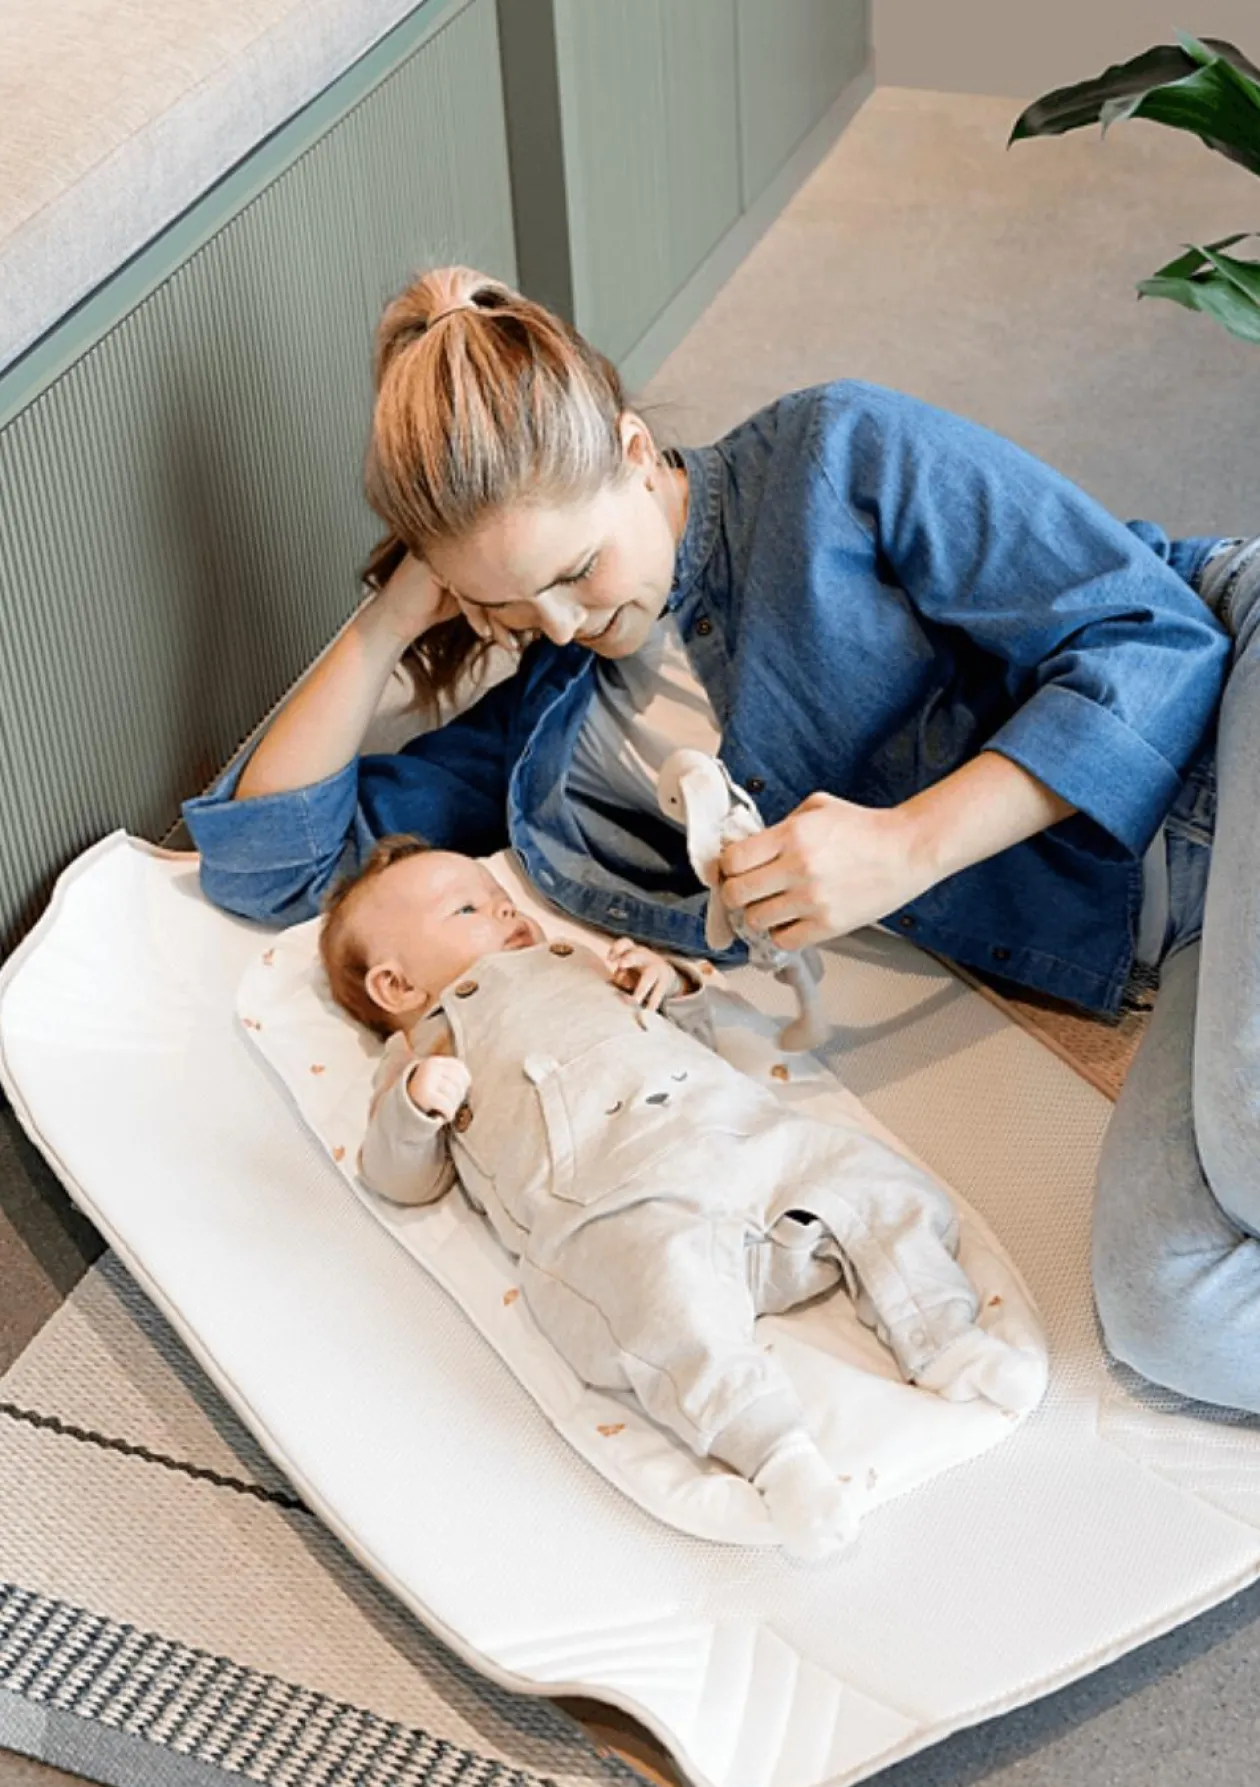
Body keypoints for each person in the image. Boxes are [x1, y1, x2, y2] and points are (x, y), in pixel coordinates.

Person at [183, 264, 1260, 1417]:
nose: (562, 625)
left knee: (1249, 1143)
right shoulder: (551, 730)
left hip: (1230, 716)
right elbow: (273, 864)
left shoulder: (833, 454)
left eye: (576, 569)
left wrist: (909, 846)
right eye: (506, 606)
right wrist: (395, 608)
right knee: (1164, 1309)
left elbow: (1159, 642)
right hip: (1181, 927)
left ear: (633, 450)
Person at [318, 833, 1045, 1558]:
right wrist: (415, 1107)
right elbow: (400, 1179)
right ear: (397, 988)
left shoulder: (579, 962)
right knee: (653, 1299)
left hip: (746, 1140)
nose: (506, 911)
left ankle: (943, 1336)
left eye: (501, 897)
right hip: (621, 1198)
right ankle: (777, 1454)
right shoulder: (422, 1049)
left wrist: (669, 985)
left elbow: (694, 1045)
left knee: (869, 1180)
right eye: (468, 909)